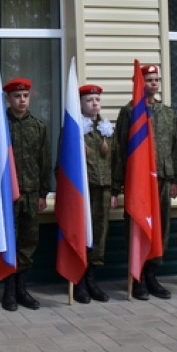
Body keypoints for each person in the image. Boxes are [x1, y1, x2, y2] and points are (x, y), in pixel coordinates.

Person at [113, 65, 177, 300]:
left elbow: (174, 147)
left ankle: (152, 275)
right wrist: (118, 182)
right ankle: (137, 276)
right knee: (138, 226)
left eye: (156, 79)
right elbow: (120, 147)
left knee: (160, 228)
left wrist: (175, 179)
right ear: (140, 83)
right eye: (149, 80)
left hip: (163, 179)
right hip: (139, 182)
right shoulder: (130, 111)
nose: (154, 83)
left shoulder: (167, 112)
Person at [0, 78, 51, 311]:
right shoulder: (0, 126)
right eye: (17, 96)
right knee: (9, 241)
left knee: (28, 243)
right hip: (7, 195)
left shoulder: (38, 126)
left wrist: (43, 193)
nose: (22, 100)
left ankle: (22, 289)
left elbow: (45, 163)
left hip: (31, 194)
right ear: (8, 99)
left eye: (26, 96)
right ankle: (8, 291)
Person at [75, 84, 116, 303]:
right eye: (89, 100)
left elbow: (115, 161)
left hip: (104, 189)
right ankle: (79, 280)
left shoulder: (106, 129)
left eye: (97, 100)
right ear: (81, 103)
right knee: (83, 233)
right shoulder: (75, 128)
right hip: (83, 192)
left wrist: (114, 191)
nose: (94, 104)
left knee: (99, 234)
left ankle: (92, 280)